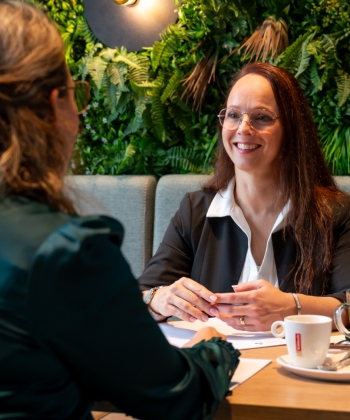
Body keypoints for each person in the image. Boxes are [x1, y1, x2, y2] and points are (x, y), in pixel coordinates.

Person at [0, 2, 240, 419]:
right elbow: (174, 395)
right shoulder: (64, 251)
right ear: (57, 103)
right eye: (79, 94)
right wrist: (216, 344)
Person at [139, 62, 350, 332]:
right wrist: (160, 299)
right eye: (233, 115)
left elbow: (348, 305)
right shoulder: (195, 211)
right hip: (219, 368)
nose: (243, 128)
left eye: (261, 117)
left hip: (298, 369)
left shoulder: (337, 213)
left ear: (291, 129)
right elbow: (143, 293)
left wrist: (293, 307)